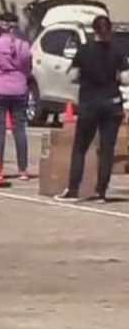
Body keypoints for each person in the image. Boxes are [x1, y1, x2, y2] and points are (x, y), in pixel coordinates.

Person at [57, 15, 128, 202]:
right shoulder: (118, 51)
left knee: (80, 147)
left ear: (93, 30)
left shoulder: (84, 50)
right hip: (112, 103)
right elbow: (125, 78)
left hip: (89, 103)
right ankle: (100, 192)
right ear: (109, 30)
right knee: (106, 149)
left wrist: (84, 77)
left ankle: (73, 189)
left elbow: (72, 75)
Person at [0, 12, 33, 178]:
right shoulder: (24, 46)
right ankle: (23, 169)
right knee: (20, 129)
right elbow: (28, 68)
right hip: (19, 88)